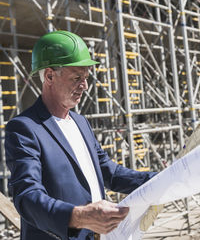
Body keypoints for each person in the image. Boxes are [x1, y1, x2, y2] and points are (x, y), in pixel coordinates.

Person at [5, 30, 156, 240]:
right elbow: (27, 197)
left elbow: (108, 172)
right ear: (49, 76)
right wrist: (79, 217)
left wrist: (159, 180)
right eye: (77, 77)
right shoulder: (24, 128)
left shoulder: (80, 122)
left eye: (85, 77)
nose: (85, 85)